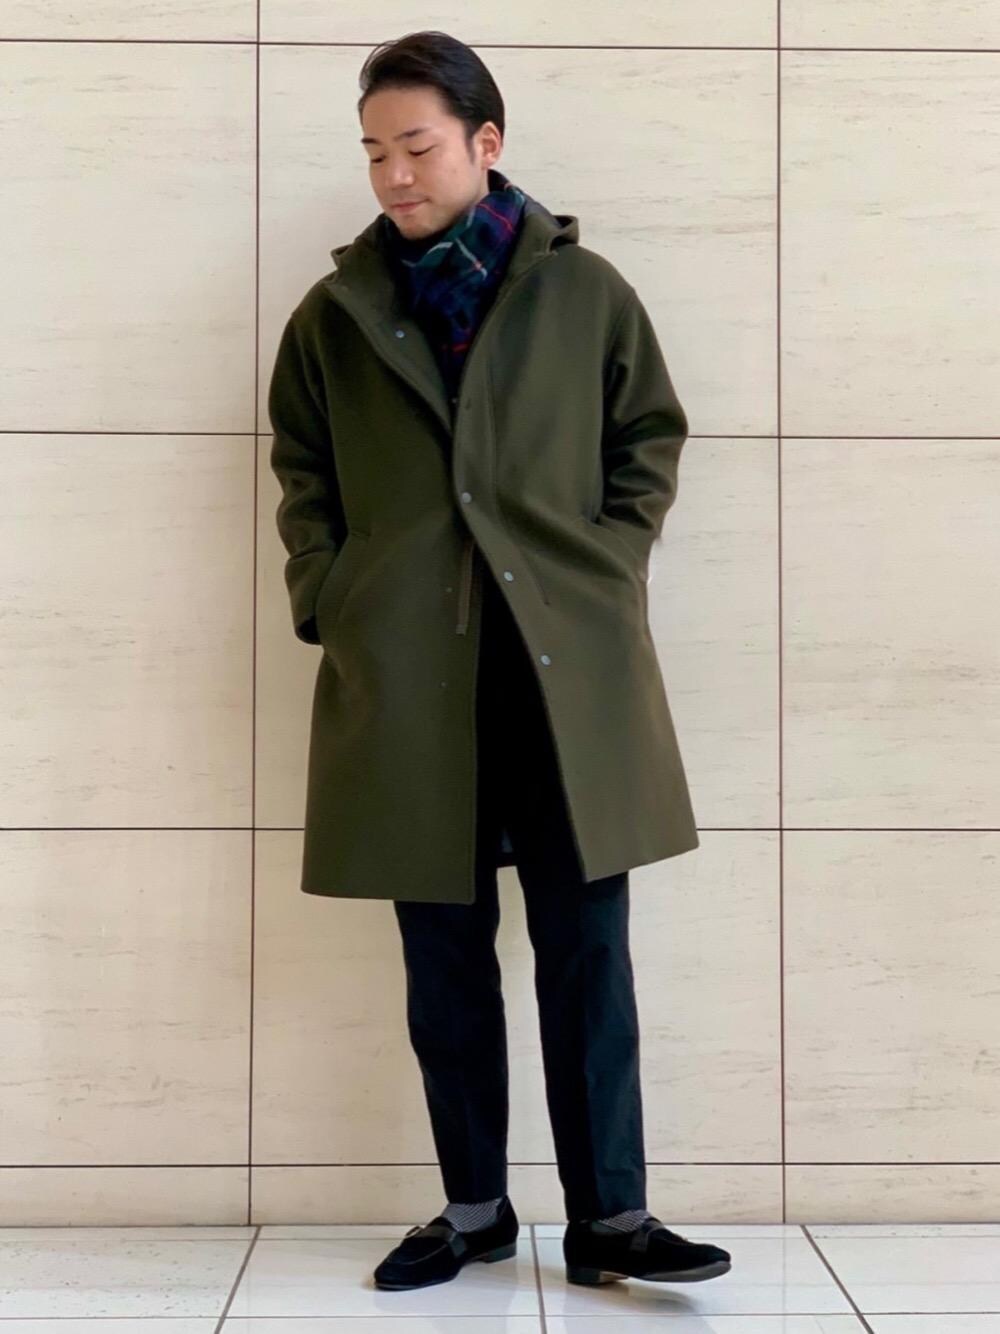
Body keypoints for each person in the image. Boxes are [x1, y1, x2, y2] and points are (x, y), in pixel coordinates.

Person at [267, 29, 731, 1294]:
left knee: (589, 948)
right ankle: (473, 1206)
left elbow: (648, 436)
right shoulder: (334, 317)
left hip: (561, 668)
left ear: (485, 142)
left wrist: (606, 567)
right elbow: (302, 472)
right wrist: (333, 595)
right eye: (374, 153)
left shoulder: (586, 294)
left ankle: (612, 1216)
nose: (393, 176)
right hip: (406, 669)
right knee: (444, 951)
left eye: (415, 147)